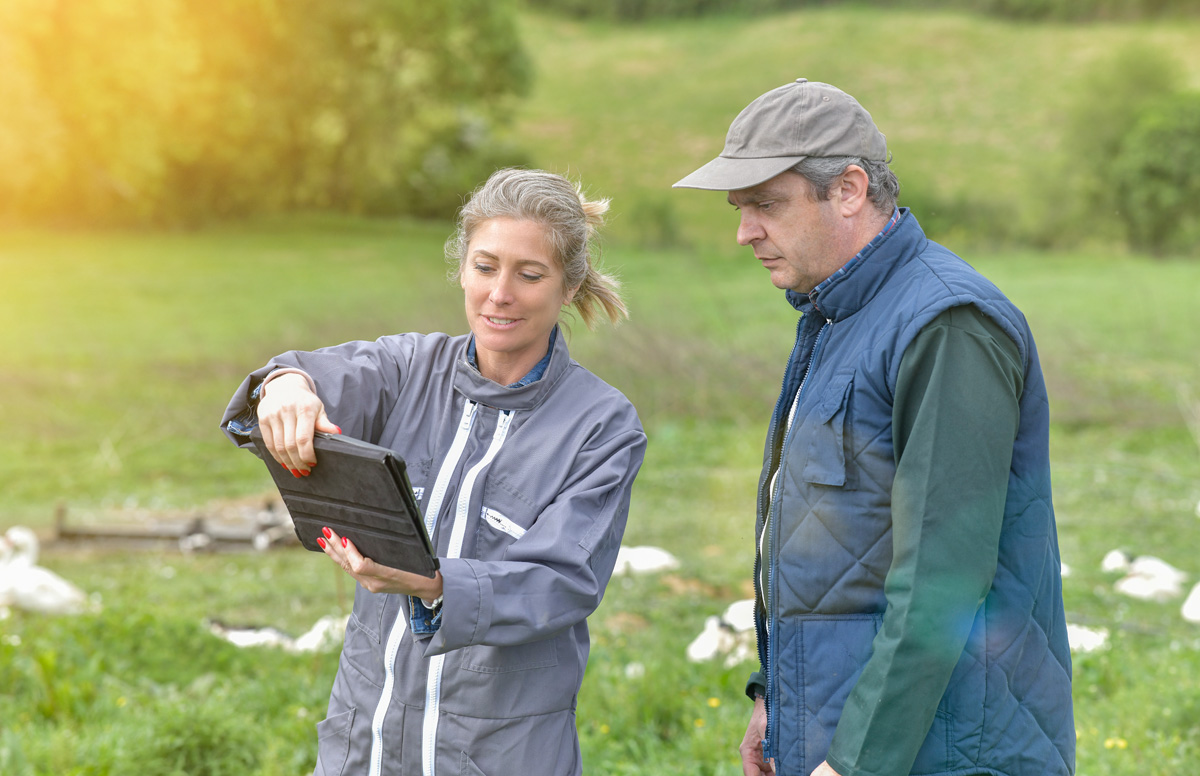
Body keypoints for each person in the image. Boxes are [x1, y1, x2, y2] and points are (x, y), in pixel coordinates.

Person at [673, 80, 1075, 776]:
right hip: (855, 737)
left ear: (850, 189)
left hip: (945, 753)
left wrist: (856, 759)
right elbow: (835, 544)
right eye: (741, 210)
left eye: (766, 205)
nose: (744, 232)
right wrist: (779, 702)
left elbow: (940, 577)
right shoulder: (839, 316)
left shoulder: (945, 326)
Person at [220, 168, 646, 776]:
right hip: (363, 745)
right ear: (463, 267)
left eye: (529, 275)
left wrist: (434, 584)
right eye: (485, 266)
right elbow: (307, 375)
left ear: (569, 285)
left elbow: (564, 581)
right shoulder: (406, 367)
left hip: (498, 754)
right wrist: (285, 385)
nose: (500, 293)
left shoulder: (601, 425)